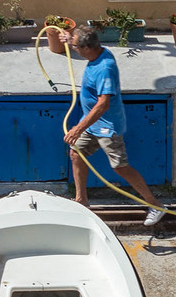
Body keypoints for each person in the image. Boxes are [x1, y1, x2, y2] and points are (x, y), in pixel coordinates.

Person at [64, 23, 167, 226]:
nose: (72, 49)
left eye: (75, 46)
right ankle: (81, 201)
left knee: (120, 167)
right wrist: (69, 37)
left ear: (86, 49)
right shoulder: (99, 52)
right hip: (92, 124)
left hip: (106, 127)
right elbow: (78, 40)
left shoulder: (105, 68)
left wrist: (78, 128)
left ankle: (156, 205)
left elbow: (103, 104)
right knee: (76, 153)